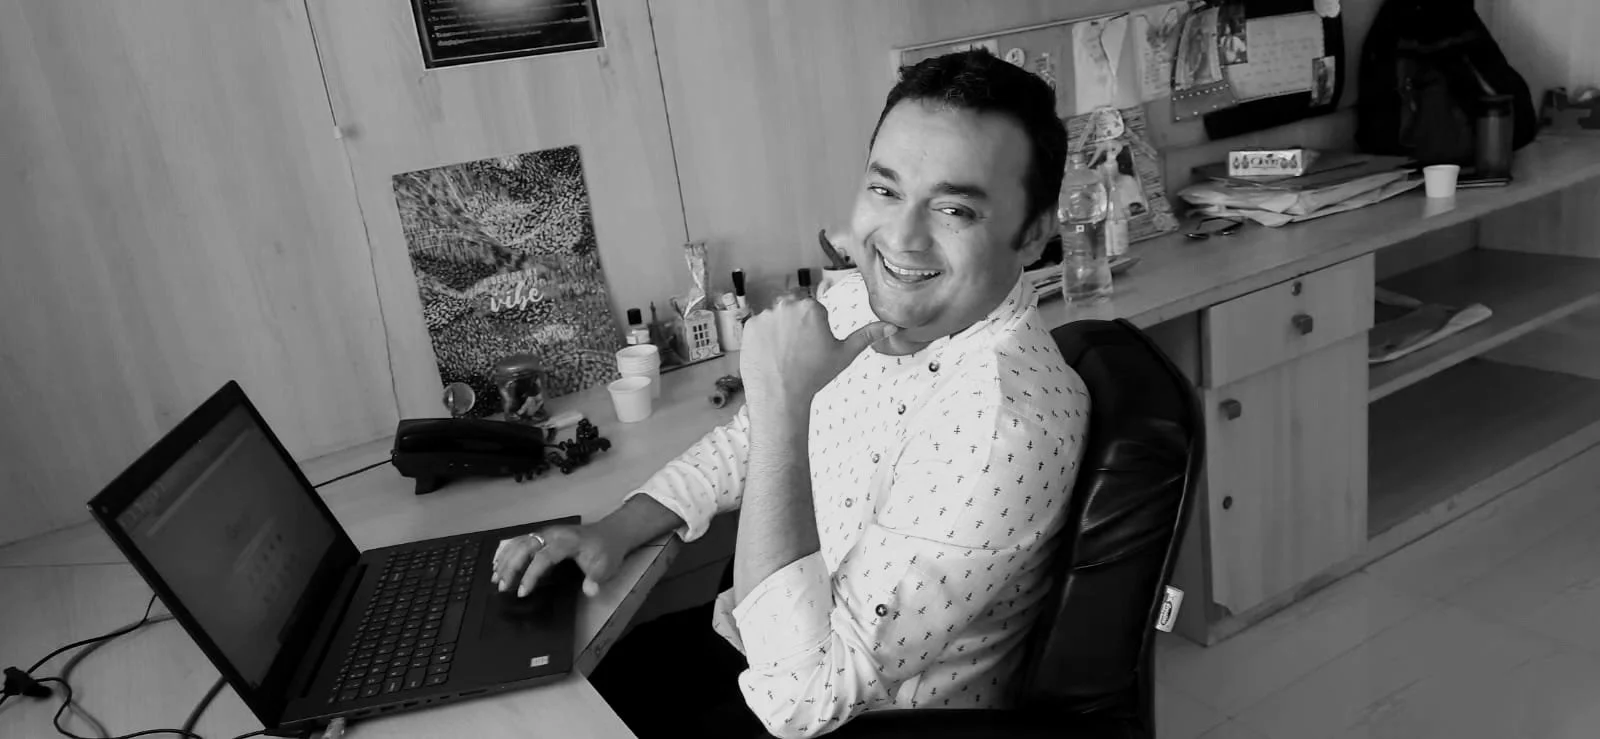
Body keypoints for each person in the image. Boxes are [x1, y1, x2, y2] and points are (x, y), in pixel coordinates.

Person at [491, 49, 1090, 738]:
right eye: (886, 190)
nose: (901, 238)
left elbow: (802, 702)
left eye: (954, 208)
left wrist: (781, 405)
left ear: (1034, 233)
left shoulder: (1000, 429)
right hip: (755, 632)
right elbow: (748, 442)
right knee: (569, 689)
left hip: (852, 717)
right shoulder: (862, 302)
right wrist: (616, 530)